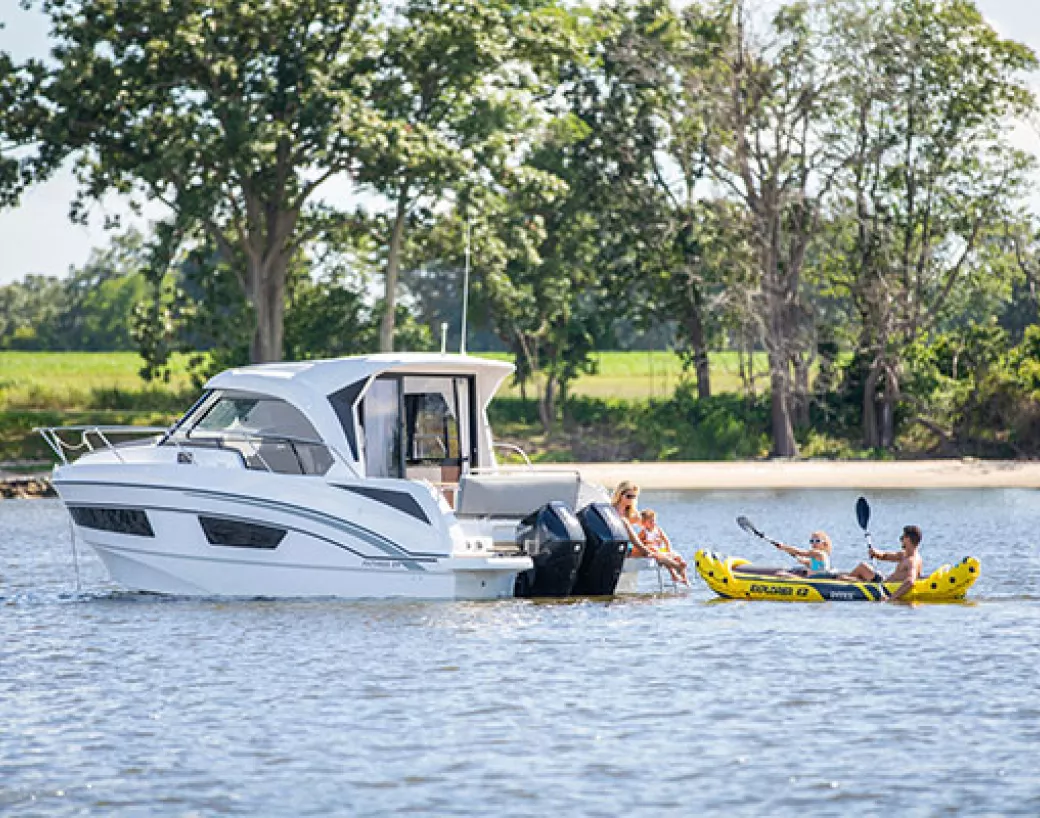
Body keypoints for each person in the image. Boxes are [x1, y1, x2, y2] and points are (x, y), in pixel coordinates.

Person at [610, 481, 689, 585]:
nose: (631, 499)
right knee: (649, 549)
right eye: (629, 496)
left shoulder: (632, 513)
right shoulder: (611, 510)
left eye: (634, 497)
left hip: (631, 547)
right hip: (619, 547)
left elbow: (650, 527)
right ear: (620, 494)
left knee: (654, 548)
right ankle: (676, 566)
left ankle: (677, 570)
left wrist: (655, 537)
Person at [838, 525, 923, 601]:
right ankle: (844, 581)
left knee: (845, 576)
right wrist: (875, 553)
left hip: (882, 586)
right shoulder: (904, 555)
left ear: (908, 539)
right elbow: (885, 556)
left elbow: (910, 581)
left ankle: (841, 585)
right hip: (883, 581)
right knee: (862, 567)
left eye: (902, 537)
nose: (901, 540)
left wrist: (891, 599)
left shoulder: (912, 561)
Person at [639, 508, 690, 586]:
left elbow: (666, 540)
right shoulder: (643, 532)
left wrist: (669, 550)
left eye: (654, 520)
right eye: (650, 521)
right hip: (653, 551)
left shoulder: (658, 529)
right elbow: (638, 543)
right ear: (644, 523)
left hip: (660, 549)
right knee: (666, 558)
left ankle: (685, 578)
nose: (653, 523)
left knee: (678, 557)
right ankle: (674, 575)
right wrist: (646, 544)